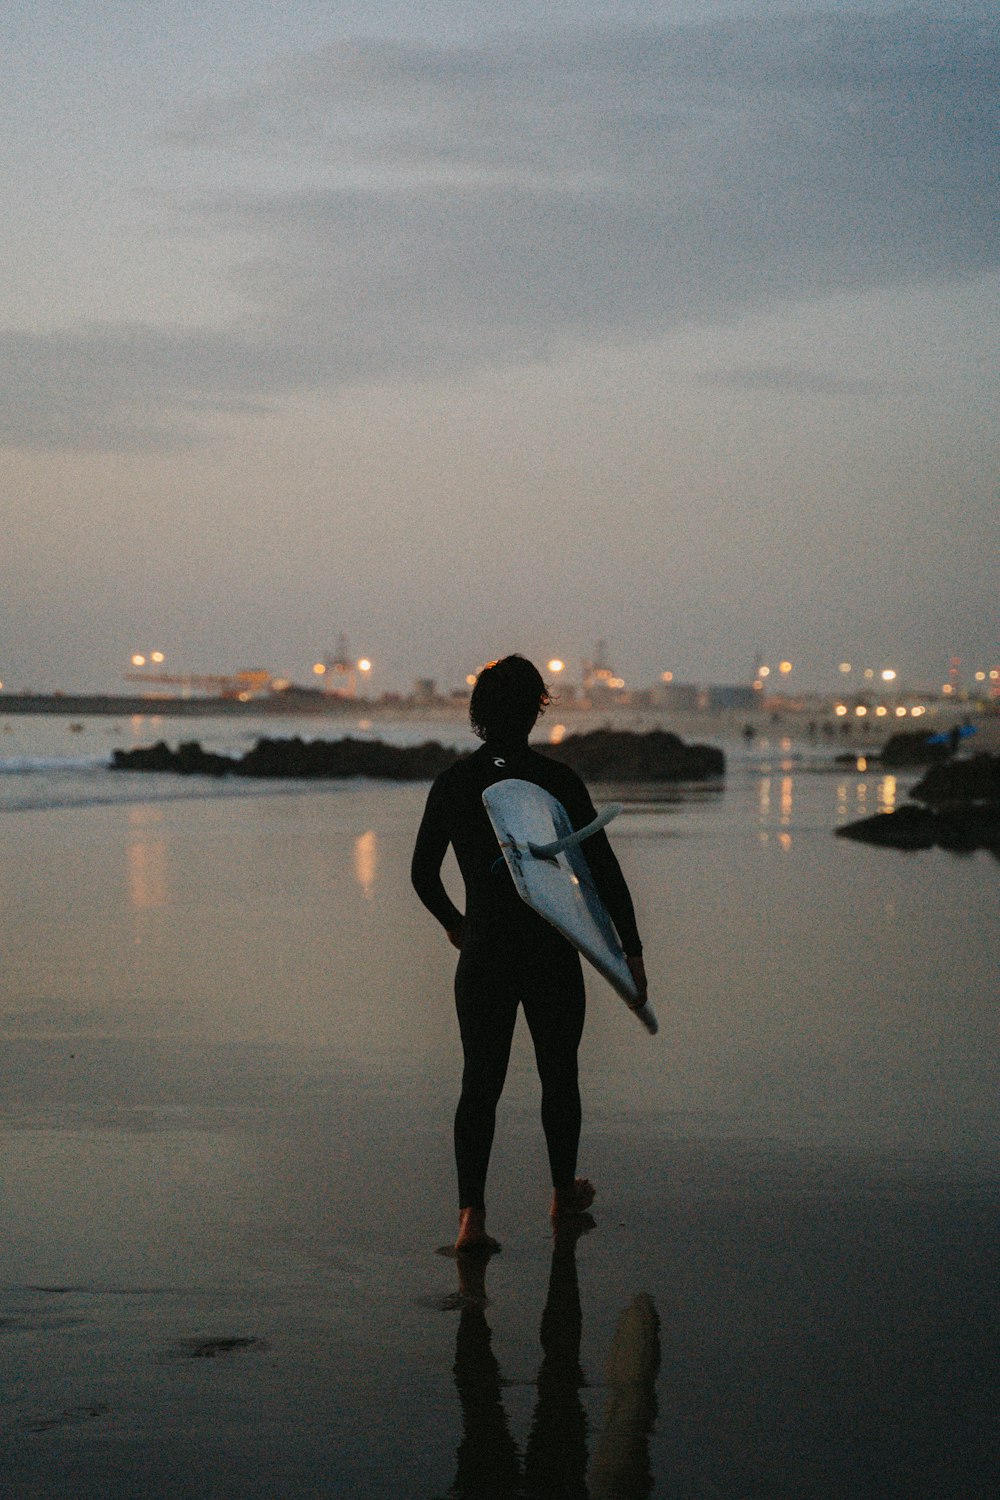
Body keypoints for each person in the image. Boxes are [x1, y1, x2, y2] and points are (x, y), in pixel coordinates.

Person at [411, 654, 648, 1252]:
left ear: (477, 714)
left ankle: (472, 1219)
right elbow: (602, 870)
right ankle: (562, 1192)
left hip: (485, 952)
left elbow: (421, 874)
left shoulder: (455, 782)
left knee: (480, 1084)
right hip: (549, 953)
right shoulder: (557, 780)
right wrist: (630, 950)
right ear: (537, 709)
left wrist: (455, 924)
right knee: (559, 1077)